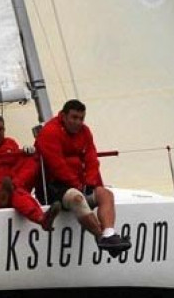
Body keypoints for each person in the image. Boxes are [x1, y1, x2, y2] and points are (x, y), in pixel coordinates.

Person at [35, 99, 131, 256]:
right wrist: (78, 185)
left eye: (81, 118)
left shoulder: (84, 131)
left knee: (105, 194)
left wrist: (90, 181)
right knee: (77, 198)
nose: (78, 122)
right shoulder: (50, 132)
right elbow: (57, 165)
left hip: (80, 184)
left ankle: (109, 234)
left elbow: (92, 159)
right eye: (74, 118)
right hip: (55, 187)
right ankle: (101, 238)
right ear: (64, 116)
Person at [0, 114, 59, 231]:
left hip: (12, 185)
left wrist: (27, 153)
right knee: (16, 194)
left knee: (33, 159)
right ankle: (40, 218)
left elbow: (21, 166)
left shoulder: (10, 143)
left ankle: (10, 192)